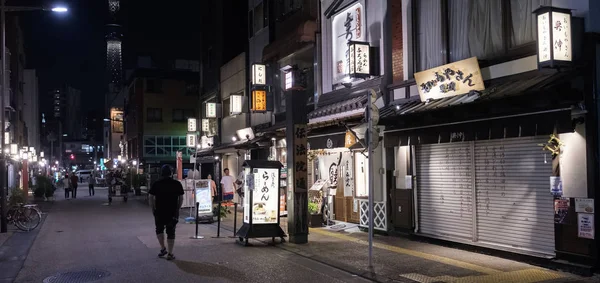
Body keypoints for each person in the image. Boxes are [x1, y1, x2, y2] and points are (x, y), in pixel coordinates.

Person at [149, 165, 184, 260]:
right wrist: (178, 208)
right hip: (172, 211)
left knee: (159, 229)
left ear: (161, 173)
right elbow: (181, 197)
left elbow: (151, 197)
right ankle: (170, 253)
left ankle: (163, 248)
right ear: (171, 173)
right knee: (171, 231)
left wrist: (153, 208)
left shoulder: (157, 183)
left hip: (159, 211)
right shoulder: (177, 184)